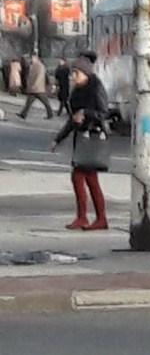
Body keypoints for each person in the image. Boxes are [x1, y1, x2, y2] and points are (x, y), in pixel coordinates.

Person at [50, 57, 109, 230]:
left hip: (92, 137)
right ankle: (93, 218)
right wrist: (58, 139)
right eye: (72, 73)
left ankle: (91, 218)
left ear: (85, 73)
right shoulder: (77, 91)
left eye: (76, 73)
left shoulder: (95, 88)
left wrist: (86, 113)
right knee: (88, 179)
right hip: (81, 138)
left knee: (82, 177)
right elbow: (72, 119)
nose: (73, 77)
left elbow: (104, 113)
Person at [17, 54, 53, 120]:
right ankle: (23, 114)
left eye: (33, 58)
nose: (32, 59)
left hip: (38, 88)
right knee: (28, 103)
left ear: (36, 58)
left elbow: (40, 77)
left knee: (46, 102)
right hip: (33, 89)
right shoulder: (32, 65)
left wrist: (35, 85)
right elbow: (29, 76)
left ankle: (50, 114)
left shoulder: (40, 66)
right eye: (32, 58)